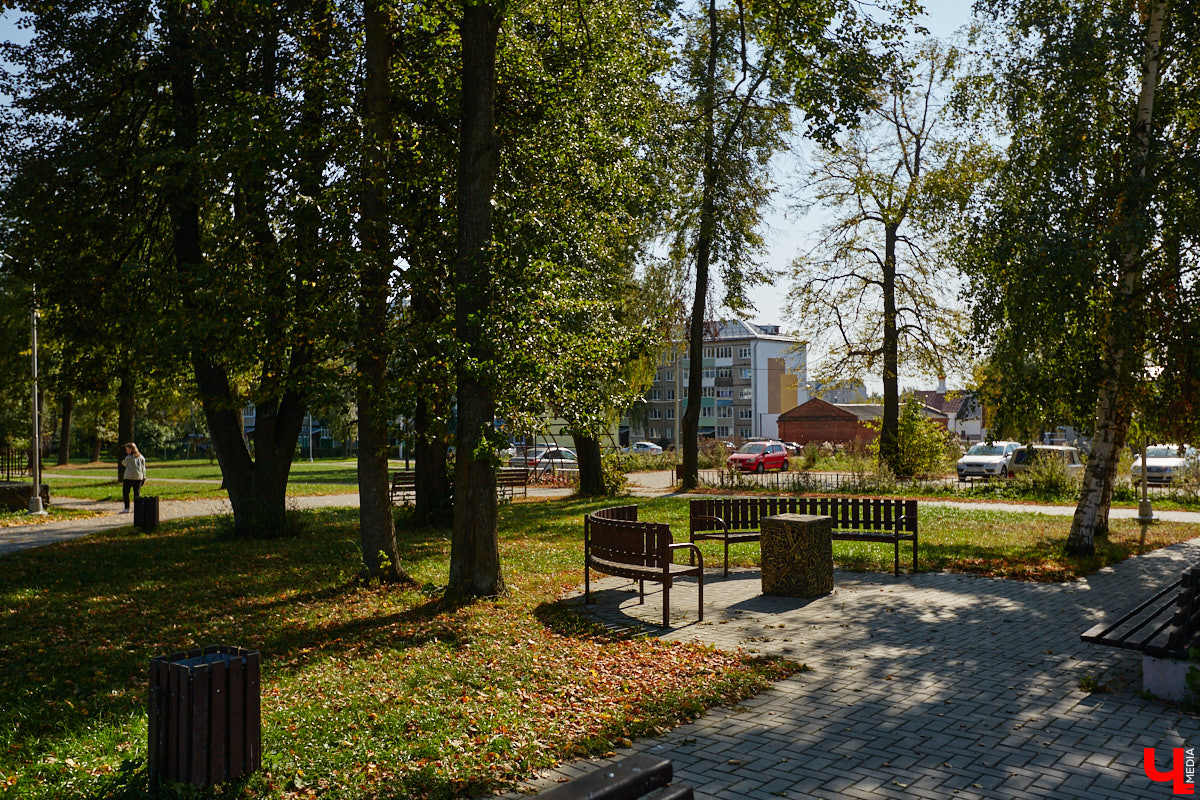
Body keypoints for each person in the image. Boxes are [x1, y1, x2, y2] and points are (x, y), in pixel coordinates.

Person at [121, 442, 147, 513]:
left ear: (131, 449)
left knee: (126, 492)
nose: (126, 451)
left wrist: (123, 461)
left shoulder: (128, 457)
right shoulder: (141, 457)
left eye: (127, 449)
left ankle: (127, 508)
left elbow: (124, 464)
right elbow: (143, 468)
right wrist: (144, 477)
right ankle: (137, 508)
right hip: (139, 477)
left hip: (128, 477)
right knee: (136, 493)